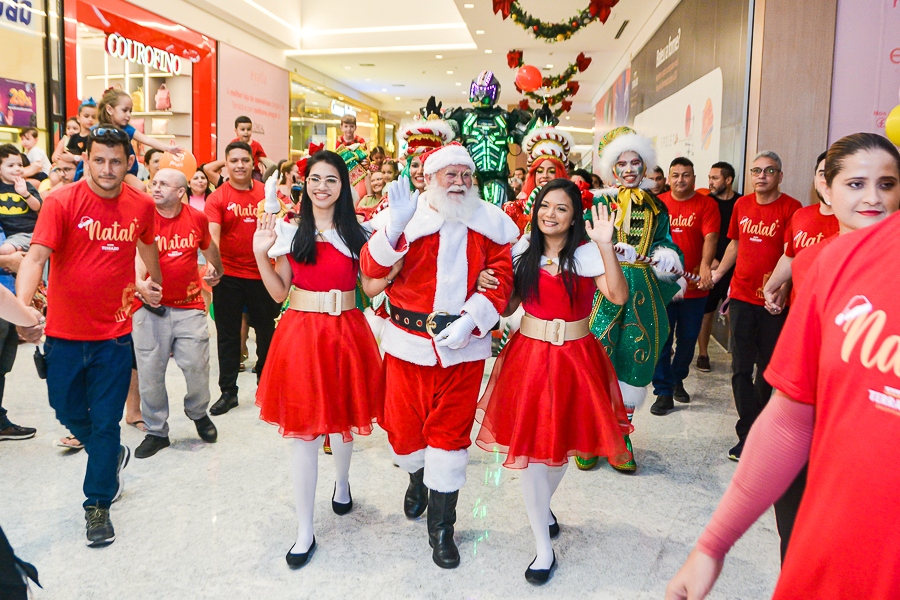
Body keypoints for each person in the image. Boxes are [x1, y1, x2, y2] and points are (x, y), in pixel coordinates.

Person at [666, 132, 900, 600]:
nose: (873, 197)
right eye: (856, 184)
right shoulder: (829, 262)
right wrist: (713, 544)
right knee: (746, 372)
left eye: (887, 184)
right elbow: (792, 417)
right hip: (837, 538)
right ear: (827, 190)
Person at [360, 142, 517, 569]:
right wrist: (393, 228)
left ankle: (442, 529)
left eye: (467, 176)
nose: (460, 183)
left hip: (463, 351)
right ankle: (416, 479)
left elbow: (502, 277)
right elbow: (371, 273)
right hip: (407, 347)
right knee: (404, 433)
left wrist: (472, 318)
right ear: (429, 179)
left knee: (450, 438)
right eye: (451, 175)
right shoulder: (407, 219)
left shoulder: (489, 224)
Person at [476, 180, 630, 584]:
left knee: (561, 448)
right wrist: (486, 284)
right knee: (532, 453)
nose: (551, 214)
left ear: (575, 216)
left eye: (561, 208)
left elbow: (616, 296)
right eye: (545, 206)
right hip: (528, 358)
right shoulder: (523, 252)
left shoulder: (586, 254)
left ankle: (542, 508)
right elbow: (506, 305)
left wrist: (605, 245)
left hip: (577, 359)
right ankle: (543, 548)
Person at [15, 126, 161, 547]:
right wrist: (24, 310)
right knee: (65, 409)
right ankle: (108, 455)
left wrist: (152, 278)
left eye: (116, 161)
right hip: (62, 335)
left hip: (114, 336)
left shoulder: (141, 205)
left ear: (129, 161)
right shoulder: (61, 202)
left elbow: (147, 243)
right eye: (99, 160)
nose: (107, 169)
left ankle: (97, 504)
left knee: (105, 423)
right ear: (86, 159)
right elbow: (36, 256)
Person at [253, 150, 391, 569]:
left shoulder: (360, 233)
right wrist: (262, 253)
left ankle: (343, 484)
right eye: (315, 178)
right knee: (305, 435)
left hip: (347, 330)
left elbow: (373, 284)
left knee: (344, 417)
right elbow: (279, 293)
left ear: (344, 187)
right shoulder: (291, 232)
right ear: (305, 183)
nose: (322, 187)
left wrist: (395, 258)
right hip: (301, 334)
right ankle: (304, 531)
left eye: (331, 180)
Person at [578, 127, 683, 472]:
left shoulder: (657, 206)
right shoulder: (598, 202)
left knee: (634, 359)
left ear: (645, 166)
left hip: (643, 292)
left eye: (634, 162)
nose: (628, 169)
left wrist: (667, 254)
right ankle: (589, 434)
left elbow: (663, 242)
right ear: (612, 168)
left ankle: (621, 436)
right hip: (604, 290)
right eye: (621, 163)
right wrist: (605, 250)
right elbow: (580, 244)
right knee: (597, 357)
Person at [711, 151, 801, 461]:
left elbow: (792, 256)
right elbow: (735, 244)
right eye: (756, 171)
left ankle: (758, 429)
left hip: (773, 301)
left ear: (779, 175)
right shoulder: (741, 205)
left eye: (768, 171)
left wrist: (783, 292)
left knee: (766, 369)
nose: (761, 176)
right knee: (740, 367)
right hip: (741, 297)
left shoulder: (792, 208)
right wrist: (719, 273)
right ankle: (749, 432)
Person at [131, 168, 224, 459]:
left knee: (198, 365)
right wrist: (141, 284)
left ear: (180, 191)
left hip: (190, 305)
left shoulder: (196, 218)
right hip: (150, 308)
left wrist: (215, 270)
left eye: (163, 184)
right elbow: (133, 255)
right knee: (150, 373)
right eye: (153, 182)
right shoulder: (141, 216)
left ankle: (198, 413)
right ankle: (157, 431)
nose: (155, 188)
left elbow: (209, 249)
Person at [204, 141, 281, 415]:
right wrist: (213, 266)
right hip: (229, 276)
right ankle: (228, 392)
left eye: (244, 160)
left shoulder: (267, 195)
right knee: (227, 335)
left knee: (266, 334)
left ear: (253, 164)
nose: (239, 165)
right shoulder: (217, 198)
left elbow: (282, 228)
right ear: (226, 164)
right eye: (233, 160)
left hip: (263, 274)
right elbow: (212, 234)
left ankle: (266, 386)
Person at [650, 158, 719, 415]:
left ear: (694, 177)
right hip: (664, 287)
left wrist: (705, 265)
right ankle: (664, 392)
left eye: (686, 175)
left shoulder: (706, 204)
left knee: (688, 339)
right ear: (669, 178)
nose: (681, 180)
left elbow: (710, 236)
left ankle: (678, 377)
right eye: (676, 175)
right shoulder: (659, 205)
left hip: (695, 286)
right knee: (662, 341)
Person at [762, 151, 839, 307]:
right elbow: (790, 256)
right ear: (815, 180)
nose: (827, 180)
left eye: (835, 174)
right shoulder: (801, 215)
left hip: (834, 313)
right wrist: (770, 288)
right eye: (823, 174)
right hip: (800, 311)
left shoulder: (854, 222)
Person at [75, 89, 184, 190]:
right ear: (109, 109)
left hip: (126, 171)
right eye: (124, 110)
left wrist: (167, 148)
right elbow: (89, 154)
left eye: (130, 111)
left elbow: (146, 139)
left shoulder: (127, 129)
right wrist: (86, 174)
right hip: (100, 170)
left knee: (140, 187)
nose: (128, 115)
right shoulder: (97, 131)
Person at [696, 161, 741, 372]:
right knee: (707, 312)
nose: (710, 182)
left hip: (736, 267)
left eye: (715, 178)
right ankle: (703, 354)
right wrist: (708, 260)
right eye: (709, 178)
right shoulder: (706, 203)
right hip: (712, 267)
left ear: (728, 180)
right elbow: (701, 236)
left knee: (735, 312)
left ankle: (736, 354)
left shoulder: (742, 203)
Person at [504, 127, 574, 235]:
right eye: (540, 171)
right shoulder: (518, 207)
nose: (544, 176)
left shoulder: (571, 203)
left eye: (551, 171)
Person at [0, 145, 42, 255]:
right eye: (11, 165)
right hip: (7, 234)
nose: (17, 168)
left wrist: (25, 194)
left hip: (29, 232)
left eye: (20, 165)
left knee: (5, 250)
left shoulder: (27, 185)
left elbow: (37, 206)